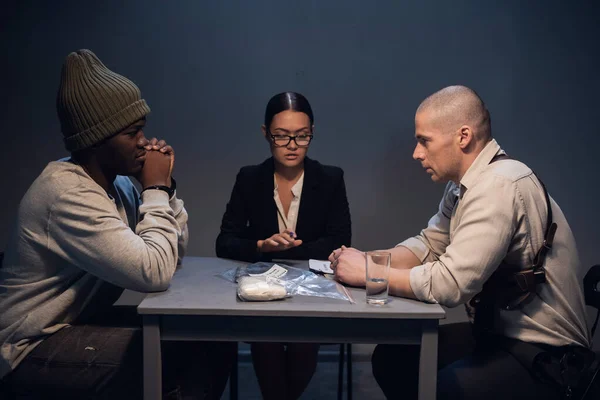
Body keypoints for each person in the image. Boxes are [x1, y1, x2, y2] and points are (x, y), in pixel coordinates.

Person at [330, 85, 592, 399]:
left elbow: (449, 285)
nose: (416, 153)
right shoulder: (464, 186)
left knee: (447, 390)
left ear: (463, 137)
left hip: (546, 353)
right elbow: (430, 245)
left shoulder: (499, 185)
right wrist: (369, 259)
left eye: (424, 141)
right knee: (393, 359)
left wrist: (368, 274)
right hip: (497, 335)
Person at [0, 49, 233, 399]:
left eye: (142, 130)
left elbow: (172, 254)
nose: (143, 142)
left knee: (208, 336)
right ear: (97, 140)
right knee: (184, 353)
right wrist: (154, 188)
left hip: (74, 324)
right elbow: (153, 274)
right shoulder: (66, 192)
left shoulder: (119, 183)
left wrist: (164, 190)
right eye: (132, 133)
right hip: (29, 347)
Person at [216, 91, 351, 399]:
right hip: (262, 289)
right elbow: (225, 242)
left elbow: (340, 241)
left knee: (305, 337)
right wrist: (262, 246)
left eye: (302, 136)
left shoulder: (330, 178)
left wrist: (283, 250)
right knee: (266, 340)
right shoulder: (249, 178)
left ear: (312, 133)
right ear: (266, 134)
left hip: (313, 291)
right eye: (282, 136)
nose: (292, 146)